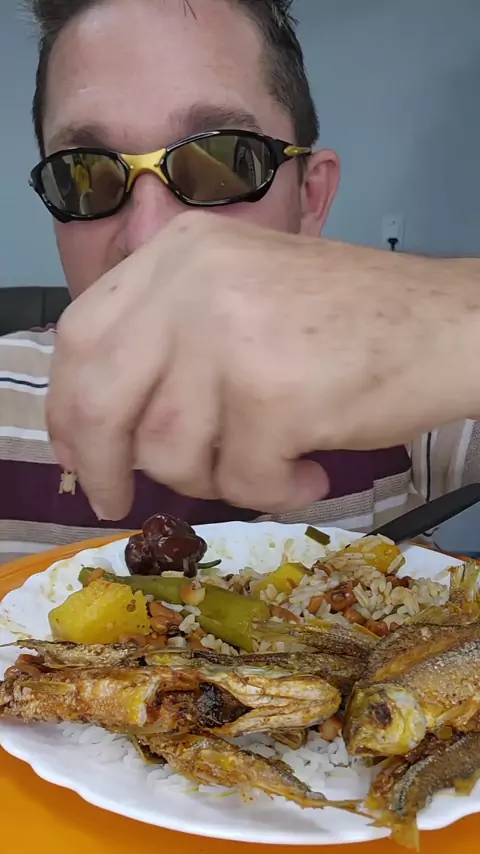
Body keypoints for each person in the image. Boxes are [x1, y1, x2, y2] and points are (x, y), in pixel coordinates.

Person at [1, 0, 479, 563]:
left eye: (222, 160)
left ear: (310, 198)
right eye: (84, 173)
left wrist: (447, 318)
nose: (150, 236)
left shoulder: (411, 392)